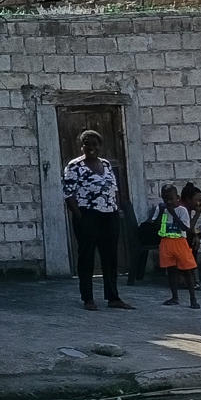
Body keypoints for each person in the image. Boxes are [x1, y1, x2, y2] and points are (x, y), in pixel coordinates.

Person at [62, 130, 133, 310]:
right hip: (87, 215)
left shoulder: (106, 164)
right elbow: (68, 194)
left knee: (110, 256)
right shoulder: (74, 166)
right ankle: (88, 299)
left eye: (95, 144)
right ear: (82, 146)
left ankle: (113, 297)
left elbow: (114, 189)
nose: (91, 147)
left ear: (100, 146)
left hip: (109, 214)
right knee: (87, 257)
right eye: (87, 144)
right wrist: (80, 216)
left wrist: (116, 208)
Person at [156, 185, 200, 308]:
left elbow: (185, 228)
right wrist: (161, 212)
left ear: (178, 198)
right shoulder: (162, 209)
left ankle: (193, 299)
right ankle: (174, 297)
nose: (168, 202)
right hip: (166, 242)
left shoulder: (182, 210)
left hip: (180, 242)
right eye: (165, 199)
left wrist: (173, 214)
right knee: (171, 271)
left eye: (171, 199)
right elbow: (155, 224)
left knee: (187, 271)